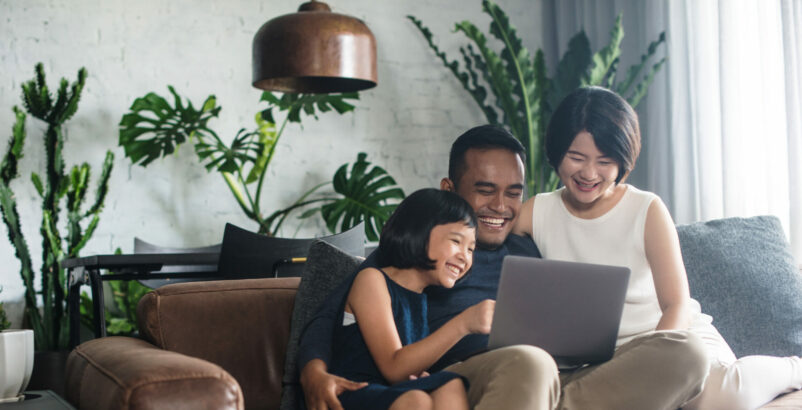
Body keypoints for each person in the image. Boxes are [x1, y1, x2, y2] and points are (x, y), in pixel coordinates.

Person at [298, 124, 708, 410]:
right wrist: (313, 373)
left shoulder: (531, 246)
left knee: (688, 354)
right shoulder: (426, 250)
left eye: (513, 193)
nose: (501, 207)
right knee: (529, 361)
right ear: (450, 190)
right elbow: (330, 311)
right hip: (475, 377)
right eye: (485, 191)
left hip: (559, 375)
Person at [513, 85, 802, 410]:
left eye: (604, 161)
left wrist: (654, 364)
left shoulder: (645, 209)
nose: (589, 173)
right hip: (596, 360)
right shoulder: (537, 211)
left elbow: (676, 305)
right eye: (576, 158)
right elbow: (480, 245)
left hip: (669, 339)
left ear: (622, 161)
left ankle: (793, 368)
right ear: (556, 152)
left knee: (723, 398)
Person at [323, 188, 488, 410]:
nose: (464, 256)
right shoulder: (372, 280)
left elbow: (405, 371)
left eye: (471, 249)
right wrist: (465, 323)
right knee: (416, 400)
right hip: (351, 393)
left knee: (450, 384)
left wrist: (420, 375)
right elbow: (394, 367)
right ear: (418, 231)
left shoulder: (420, 299)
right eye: (456, 241)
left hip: (390, 394)